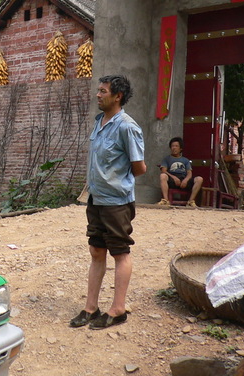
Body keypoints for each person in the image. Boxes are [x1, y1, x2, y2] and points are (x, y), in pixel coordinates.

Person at [70, 75, 146, 331]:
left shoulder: (127, 127)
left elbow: (140, 167)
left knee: (120, 252)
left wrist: (117, 181)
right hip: (96, 199)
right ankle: (91, 308)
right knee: (96, 251)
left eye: (103, 91)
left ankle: (118, 309)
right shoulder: (98, 122)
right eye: (98, 91)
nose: (98, 95)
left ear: (118, 96)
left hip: (116, 202)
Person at [157, 137, 202, 207]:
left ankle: (190, 201)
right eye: (172, 146)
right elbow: (163, 170)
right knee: (163, 175)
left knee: (199, 179)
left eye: (176, 146)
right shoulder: (167, 159)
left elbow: (189, 173)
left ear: (180, 148)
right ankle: (165, 200)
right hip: (172, 180)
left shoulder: (185, 160)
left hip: (184, 180)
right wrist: (174, 177)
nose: (174, 148)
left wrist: (186, 180)